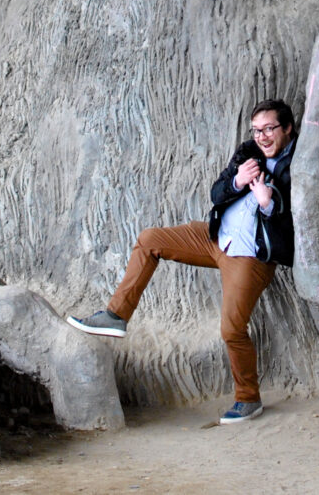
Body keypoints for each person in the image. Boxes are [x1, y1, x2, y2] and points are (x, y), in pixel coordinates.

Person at [68, 99, 297, 424]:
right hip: (216, 237)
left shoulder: (296, 166)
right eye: (256, 130)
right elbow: (217, 192)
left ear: (287, 128)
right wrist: (237, 182)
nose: (262, 136)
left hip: (248, 256)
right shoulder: (249, 152)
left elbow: (292, 226)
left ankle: (248, 399)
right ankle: (116, 315)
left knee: (232, 328)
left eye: (269, 128)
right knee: (150, 240)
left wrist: (268, 205)